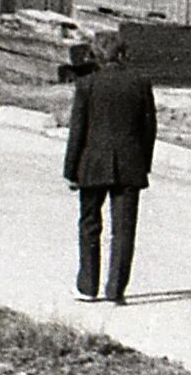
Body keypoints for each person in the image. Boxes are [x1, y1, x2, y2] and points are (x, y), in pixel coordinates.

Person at [62, 33, 157, 304]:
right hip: (130, 166)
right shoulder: (140, 83)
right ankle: (116, 290)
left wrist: (71, 171)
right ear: (122, 53)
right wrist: (143, 165)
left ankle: (88, 287)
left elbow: (77, 131)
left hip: (92, 165)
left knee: (90, 224)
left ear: (98, 55)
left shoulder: (87, 84)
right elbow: (149, 129)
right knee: (124, 229)